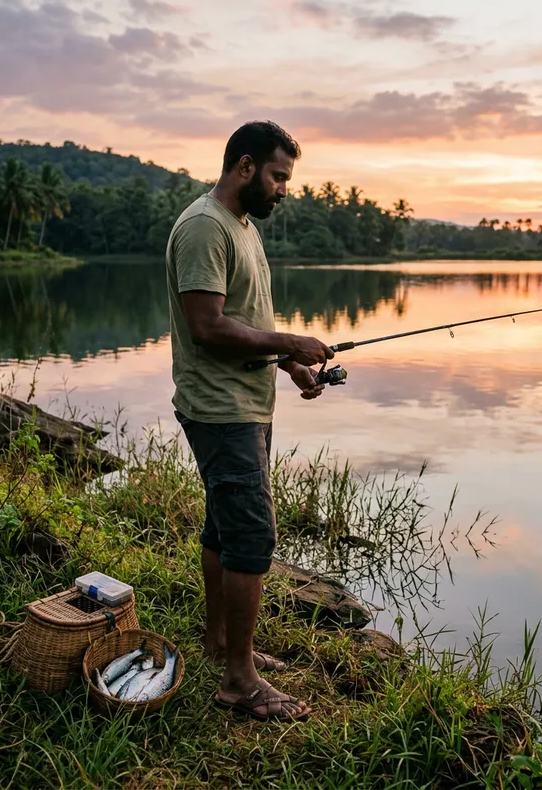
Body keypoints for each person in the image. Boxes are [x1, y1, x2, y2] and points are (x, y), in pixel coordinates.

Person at [166, 120, 333, 721]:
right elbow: (207, 328)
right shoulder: (204, 228)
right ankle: (239, 679)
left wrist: (288, 361)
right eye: (278, 176)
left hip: (247, 400)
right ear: (244, 167)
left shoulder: (241, 228)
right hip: (220, 407)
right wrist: (290, 338)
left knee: (223, 526)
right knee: (253, 536)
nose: (284, 188)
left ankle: (219, 644)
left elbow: (245, 318)